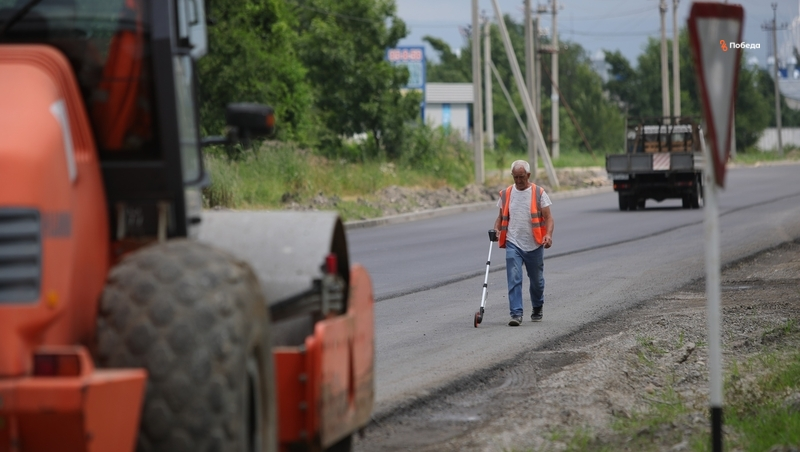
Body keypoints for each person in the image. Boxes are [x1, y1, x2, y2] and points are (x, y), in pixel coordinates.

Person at [493, 160, 554, 326]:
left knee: (537, 281)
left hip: (535, 244)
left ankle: (537, 305)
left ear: (528, 175)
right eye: (515, 177)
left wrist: (548, 235)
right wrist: (497, 229)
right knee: (514, 277)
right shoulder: (506, 194)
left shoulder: (539, 193)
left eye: (522, 177)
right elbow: (500, 217)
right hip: (513, 242)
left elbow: (548, 218)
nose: (519, 181)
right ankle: (516, 314)